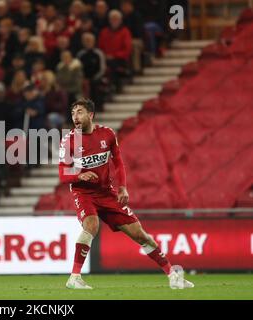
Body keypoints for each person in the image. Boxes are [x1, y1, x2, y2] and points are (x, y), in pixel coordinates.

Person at [58, 99, 194, 290]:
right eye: (73, 113)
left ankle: (172, 276)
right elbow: (63, 173)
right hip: (84, 193)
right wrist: (80, 174)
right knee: (91, 224)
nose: (75, 117)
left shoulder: (107, 134)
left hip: (107, 193)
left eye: (79, 112)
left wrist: (123, 187)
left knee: (141, 235)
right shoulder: (69, 140)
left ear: (91, 115)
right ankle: (74, 277)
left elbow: (118, 161)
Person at [98, 9, 132, 92]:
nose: (114, 21)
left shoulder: (125, 32)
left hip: (120, 59)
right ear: (109, 20)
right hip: (106, 58)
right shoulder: (104, 32)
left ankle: (112, 86)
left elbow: (127, 49)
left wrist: (114, 55)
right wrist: (106, 55)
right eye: (112, 19)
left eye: (116, 19)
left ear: (120, 20)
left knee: (113, 66)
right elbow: (100, 46)